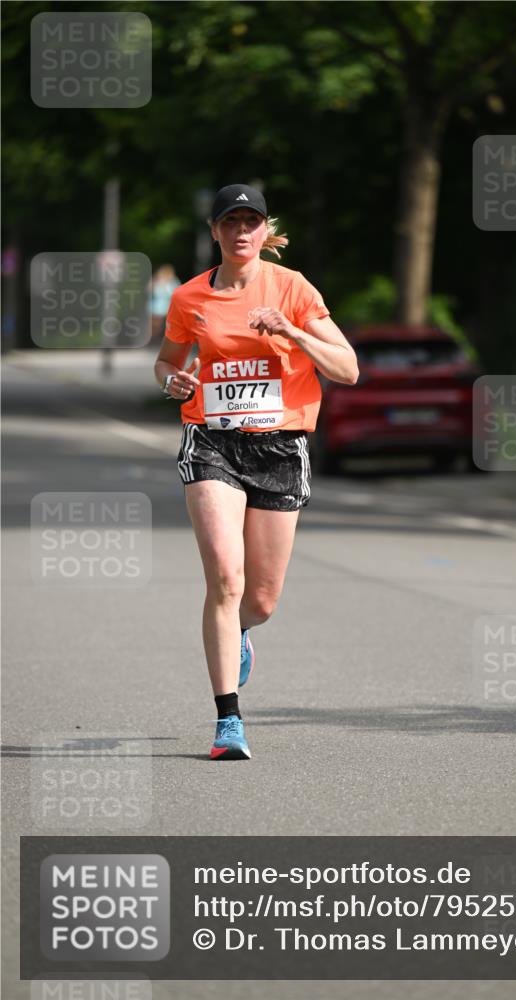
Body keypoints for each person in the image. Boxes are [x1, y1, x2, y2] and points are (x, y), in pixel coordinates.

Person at [153, 184, 358, 760]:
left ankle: (239, 630)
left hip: (280, 448)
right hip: (211, 440)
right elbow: (168, 362)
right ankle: (228, 722)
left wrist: (293, 332)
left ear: (267, 231)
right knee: (225, 575)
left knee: (260, 599)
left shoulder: (292, 288)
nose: (242, 230)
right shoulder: (191, 298)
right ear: (215, 232)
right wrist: (172, 380)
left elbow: (348, 369)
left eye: (253, 220)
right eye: (231, 221)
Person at [149, 264, 181, 342]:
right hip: (155, 305)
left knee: (162, 324)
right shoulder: (156, 280)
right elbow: (149, 291)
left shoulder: (173, 282)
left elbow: (176, 292)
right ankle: (153, 338)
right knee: (154, 323)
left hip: (166, 306)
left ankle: (157, 338)